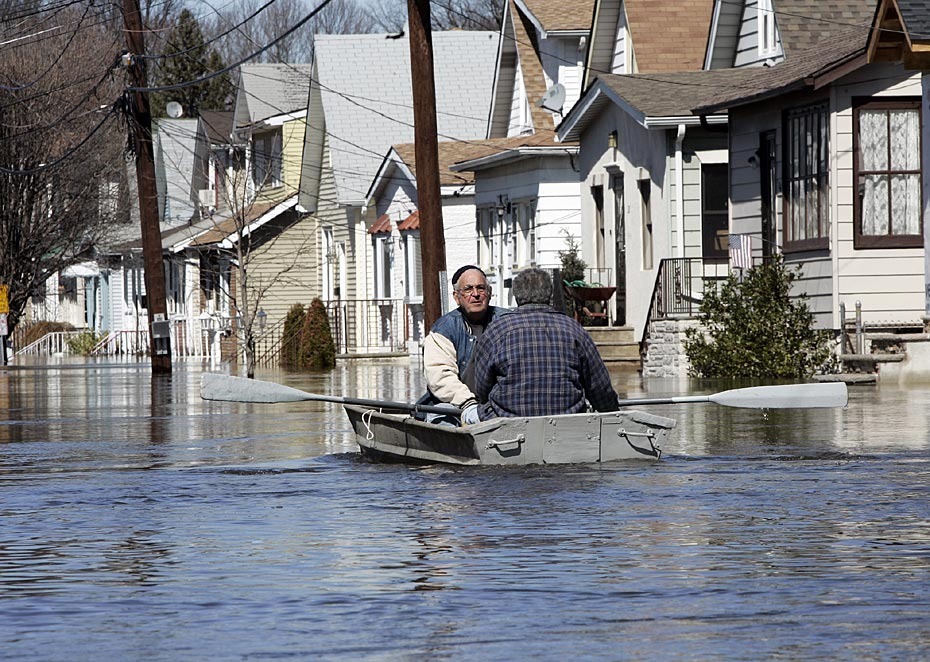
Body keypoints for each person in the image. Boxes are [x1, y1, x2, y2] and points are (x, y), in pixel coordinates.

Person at [471, 267, 619, 421]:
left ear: (516, 297)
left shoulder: (496, 331)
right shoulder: (573, 329)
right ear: (549, 295)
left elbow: (482, 389)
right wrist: (612, 414)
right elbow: (600, 388)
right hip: (567, 427)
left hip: (509, 428)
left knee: (472, 414)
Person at [418, 265, 508, 424]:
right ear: (456, 297)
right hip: (455, 405)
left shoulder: (507, 321)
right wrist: (468, 403)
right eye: (468, 289)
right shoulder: (443, 330)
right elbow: (440, 377)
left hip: (498, 403)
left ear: (490, 292)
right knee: (443, 420)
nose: (475, 294)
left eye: (481, 288)